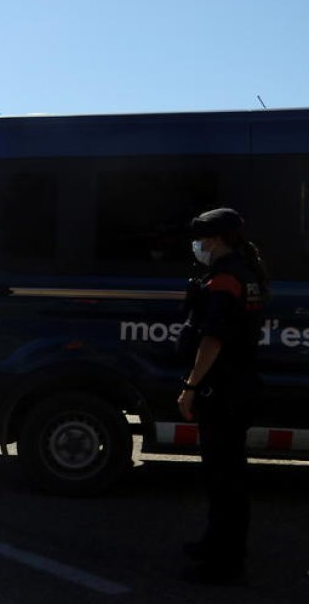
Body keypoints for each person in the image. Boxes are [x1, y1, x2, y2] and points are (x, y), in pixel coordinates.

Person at [176, 207, 267, 585]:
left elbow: (213, 339)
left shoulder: (226, 278)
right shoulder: (246, 271)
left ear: (214, 239)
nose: (197, 245)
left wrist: (190, 387)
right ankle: (215, 543)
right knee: (224, 476)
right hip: (238, 384)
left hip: (224, 388)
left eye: (201, 238)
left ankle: (225, 564)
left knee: (225, 478)